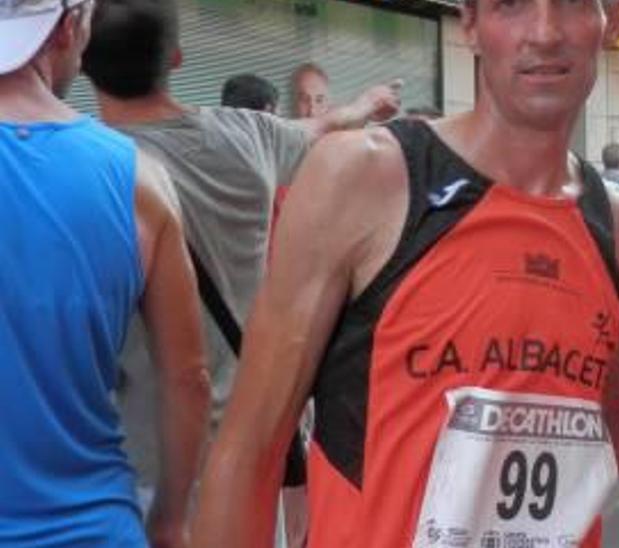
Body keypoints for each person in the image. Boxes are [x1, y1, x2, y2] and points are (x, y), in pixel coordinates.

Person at [192, 0, 619, 546]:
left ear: (610, 21)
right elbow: (252, 443)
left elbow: (613, 421)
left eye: (570, 3)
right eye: (511, 5)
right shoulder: (364, 176)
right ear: (470, 22)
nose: (543, 32)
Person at [82, 0, 401, 542]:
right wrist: (370, 101)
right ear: (178, 59)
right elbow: (327, 125)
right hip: (246, 449)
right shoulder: (249, 136)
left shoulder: (89, 167)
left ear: (84, 64)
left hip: (135, 457)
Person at [0, 0, 211, 545]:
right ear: (69, 28)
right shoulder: (139, 180)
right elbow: (187, 378)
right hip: (94, 527)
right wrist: (170, 519)